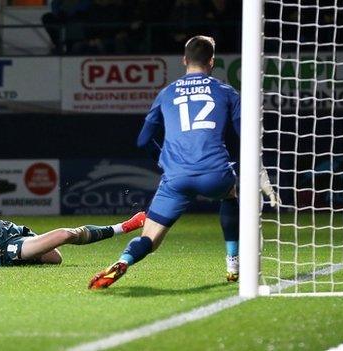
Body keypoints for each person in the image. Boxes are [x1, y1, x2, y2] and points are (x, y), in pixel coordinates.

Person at [88, 35, 242, 289]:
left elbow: (143, 140)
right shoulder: (226, 91)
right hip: (214, 173)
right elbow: (243, 133)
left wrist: (163, 160)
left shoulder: (167, 92)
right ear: (212, 61)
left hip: (176, 176)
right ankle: (232, 260)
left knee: (151, 237)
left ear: (184, 60)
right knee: (230, 194)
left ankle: (124, 260)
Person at [0, 143, 146, 268]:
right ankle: (123, 227)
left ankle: (22, 253)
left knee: (55, 258)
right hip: (1, 247)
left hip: (9, 234)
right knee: (65, 233)